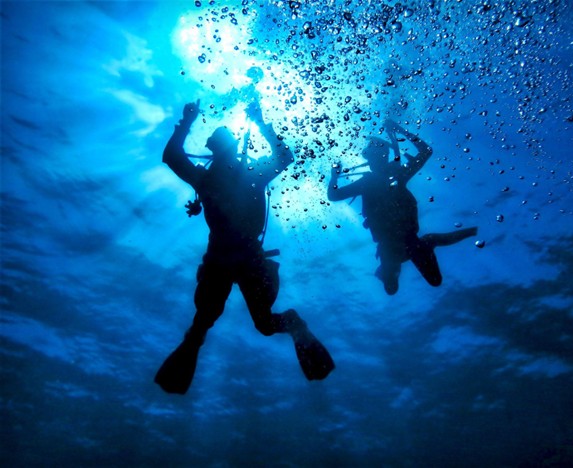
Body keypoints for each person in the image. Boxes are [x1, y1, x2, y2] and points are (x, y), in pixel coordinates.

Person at [155, 99, 334, 394]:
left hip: (244, 256)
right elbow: (171, 157)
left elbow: (284, 157)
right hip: (225, 257)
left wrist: (190, 121)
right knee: (204, 321)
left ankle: (293, 324)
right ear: (215, 149)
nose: (222, 150)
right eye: (218, 144)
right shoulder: (217, 177)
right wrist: (190, 121)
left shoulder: (240, 175)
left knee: (259, 324)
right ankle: (195, 343)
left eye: (223, 144)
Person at [327, 118, 477, 295]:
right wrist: (400, 130)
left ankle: (434, 240)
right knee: (393, 288)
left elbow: (426, 151)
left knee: (433, 281)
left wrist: (401, 130)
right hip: (391, 248)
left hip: (406, 243)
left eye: (377, 156)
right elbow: (333, 196)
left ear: (384, 157)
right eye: (371, 156)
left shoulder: (394, 175)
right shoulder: (375, 180)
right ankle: (434, 240)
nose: (375, 160)